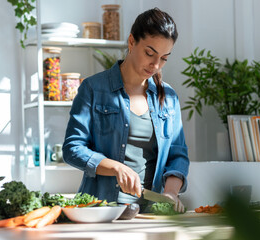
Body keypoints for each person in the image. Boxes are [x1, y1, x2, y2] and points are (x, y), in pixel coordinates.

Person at [62, 7, 189, 213]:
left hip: (150, 213)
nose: (156, 65)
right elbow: (72, 148)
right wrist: (116, 168)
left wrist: (170, 194)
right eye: (150, 53)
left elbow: (178, 155)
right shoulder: (93, 88)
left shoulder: (168, 97)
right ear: (132, 42)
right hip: (100, 209)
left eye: (164, 58)